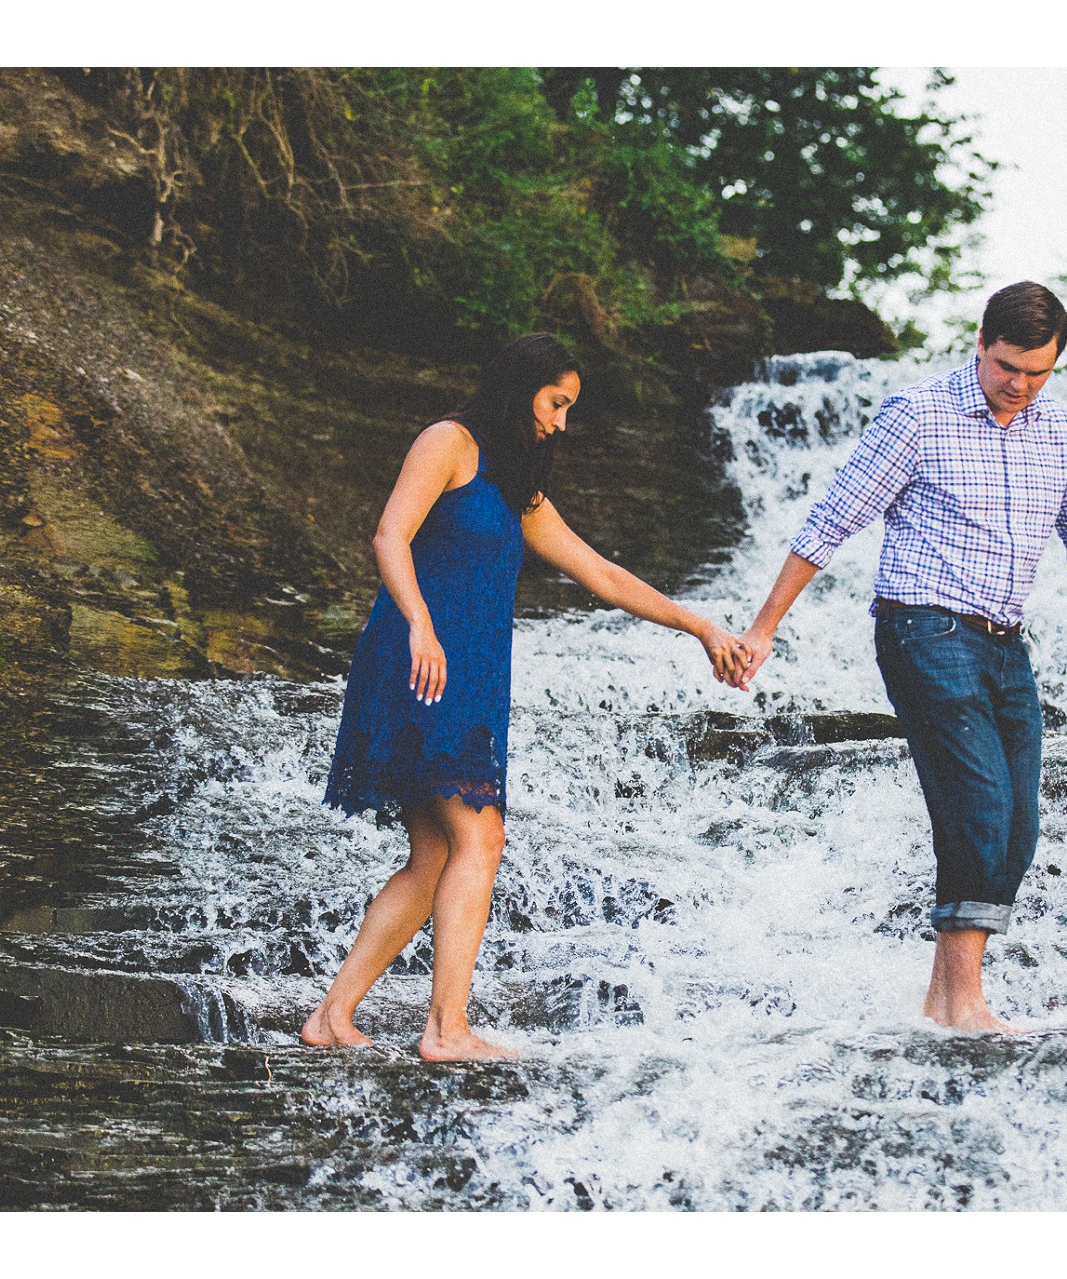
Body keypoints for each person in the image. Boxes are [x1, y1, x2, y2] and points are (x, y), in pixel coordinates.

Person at [306, 332, 750, 1060]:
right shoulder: (448, 442)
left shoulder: (517, 489)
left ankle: (331, 1016)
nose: (561, 422)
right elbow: (390, 533)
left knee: (433, 853)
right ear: (520, 389)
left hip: (468, 675)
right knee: (480, 836)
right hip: (420, 658)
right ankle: (446, 1028)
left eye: (569, 408)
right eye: (555, 402)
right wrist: (419, 622)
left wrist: (699, 625)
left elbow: (602, 573)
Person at [734, 282, 1067, 1033]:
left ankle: (942, 998)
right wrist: (766, 625)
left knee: (1017, 827)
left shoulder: (1055, 431)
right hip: (922, 628)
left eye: (1037, 372)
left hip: (1004, 641)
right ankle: (966, 1004)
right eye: (1006, 367)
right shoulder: (918, 414)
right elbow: (834, 518)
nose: (1019, 385)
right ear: (979, 342)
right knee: (980, 809)